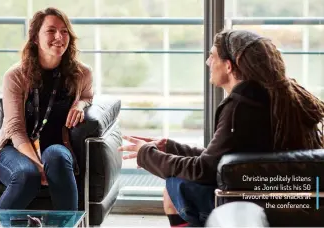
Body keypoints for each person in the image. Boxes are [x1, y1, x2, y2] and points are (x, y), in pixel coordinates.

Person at [118, 29, 324, 227]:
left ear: (229, 66)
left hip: (248, 201)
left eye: (212, 56)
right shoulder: (270, 96)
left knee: (176, 184)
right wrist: (169, 147)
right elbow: (227, 162)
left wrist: (145, 154)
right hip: (274, 197)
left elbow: (204, 170)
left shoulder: (241, 106)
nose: (208, 62)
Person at [0, 7, 93, 210]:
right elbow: (16, 129)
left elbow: (87, 95)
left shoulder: (81, 73)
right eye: (51, 31)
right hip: (14, 148)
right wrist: (37, 164)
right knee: (27, 175)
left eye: (64, 31)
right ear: (35, 38)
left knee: (58, 157)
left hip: (55, 145)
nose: (59, 37)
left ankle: (68, 225)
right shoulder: (15, 76)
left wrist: (80, 104)